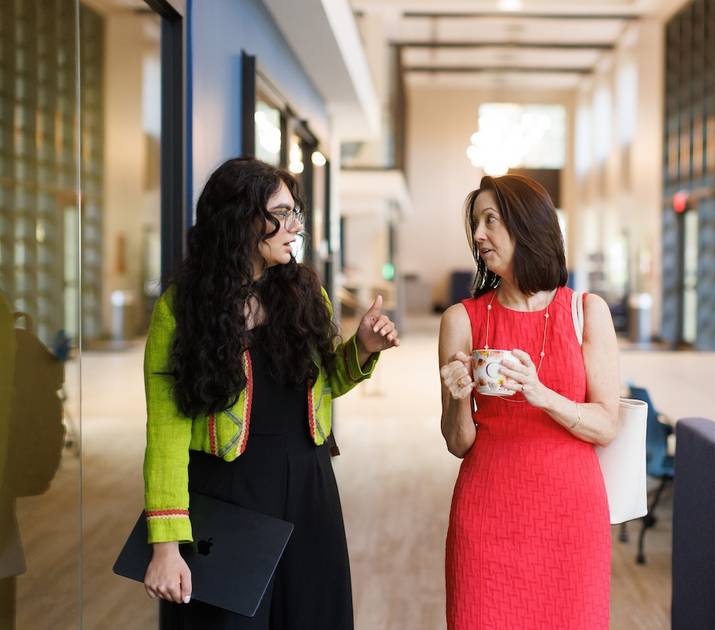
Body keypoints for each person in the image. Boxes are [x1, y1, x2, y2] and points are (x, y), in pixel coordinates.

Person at [142, 157, 399, 629]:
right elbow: (165, 432)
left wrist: (362, 348)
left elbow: (328, 385)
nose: (295, 226)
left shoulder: (306, 293)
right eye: (281, 213)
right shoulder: (181, 308)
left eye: (295, 212)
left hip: (309, 485)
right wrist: (165, 545)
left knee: (312, 616)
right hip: (227, 492)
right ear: (239, 218)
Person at [438, 175, 619, 629]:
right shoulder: (461, 320)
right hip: (487, 518)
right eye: (476, 223)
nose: (478, 235)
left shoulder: (586, 312)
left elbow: (605, 425)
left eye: (490, 220)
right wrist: (459, 400)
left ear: (527, 226)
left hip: (571, 521)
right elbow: (459, 443)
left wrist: (543, 396)